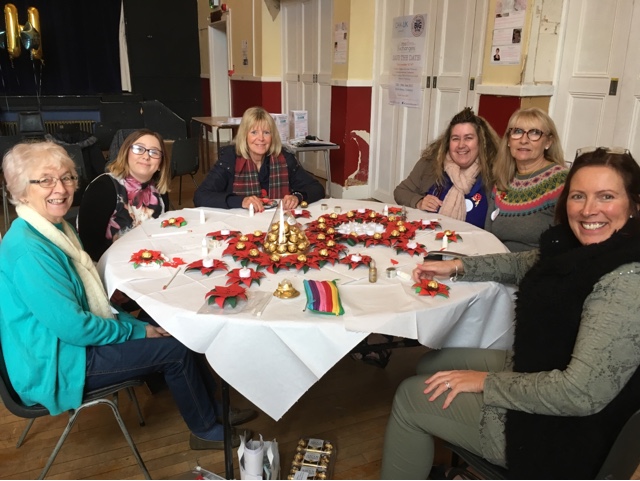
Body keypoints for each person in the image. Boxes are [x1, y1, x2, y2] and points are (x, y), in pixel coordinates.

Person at [381, 147, 640, 479]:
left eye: (606, 196)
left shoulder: (625, 281)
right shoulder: (581, 247)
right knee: (432, 364)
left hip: (564, 434)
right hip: (543, 366)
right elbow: (521, 263)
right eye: (579, 196)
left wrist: (486, 383)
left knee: (409, 397)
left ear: (634, 204)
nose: (589, 210)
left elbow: (580, 393)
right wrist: (457, 266)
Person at [0, 141, 255, 451]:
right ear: (21, 191)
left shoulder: (54, 228)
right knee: (175, 349)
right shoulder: (29, 250)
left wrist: (138, 326)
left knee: (173, 322)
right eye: (46, 180)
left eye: (66, 177)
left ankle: (214, 408)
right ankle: (205, 428)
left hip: (68, 343)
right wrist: (138, 330)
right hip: (57, 362)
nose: (61, 188)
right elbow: (75, 328)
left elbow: (90, 303)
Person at [193, 106, 325, 211]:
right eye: (254, 132)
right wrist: (241, 201)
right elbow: (200, 196)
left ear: (272, 136)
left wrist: (298, 197)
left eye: (266, 132)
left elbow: (317, 188)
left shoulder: (284, 158)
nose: (261, 138)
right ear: (244, 135)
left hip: (278, 225)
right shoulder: (230, 159)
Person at [394, 107, 499, 228]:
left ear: (481, 142)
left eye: (468, 138)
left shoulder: (495, 171)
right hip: (429, 236)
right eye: (455, 138)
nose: (461, 145)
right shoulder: (430, 163)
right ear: (448, 143)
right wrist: (419, 201)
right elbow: (400, 191)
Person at [77, 129, 171, 262]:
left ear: (161, 163)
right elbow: (90, 247)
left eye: (154, 152)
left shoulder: (160, 191)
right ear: (126, 153)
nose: (146, 156)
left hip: (150, 261)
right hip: (109, 264)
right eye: (139, 149)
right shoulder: (103, 188)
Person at [485, 107, 568, 251]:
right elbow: (488, 233)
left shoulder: (561, 181)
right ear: (509, 140)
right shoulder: (504, 178)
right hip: (498, 260)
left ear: (548, 142)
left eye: (535, 133)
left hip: (539, 263)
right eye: (517, 132)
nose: (524, 140)